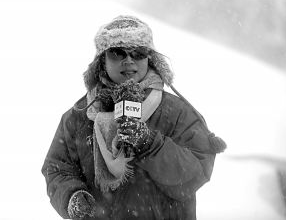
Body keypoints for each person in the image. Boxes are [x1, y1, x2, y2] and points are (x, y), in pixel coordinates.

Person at [41, 15, 226, 220]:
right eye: (117, 52)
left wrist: (149, 144)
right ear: (102, 59)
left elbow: (195, 173)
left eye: (138, 52)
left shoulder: (176, 112)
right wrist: (72, 196)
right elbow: (57, 168)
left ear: (150, 58)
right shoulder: (79, 115)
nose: (128, 61)